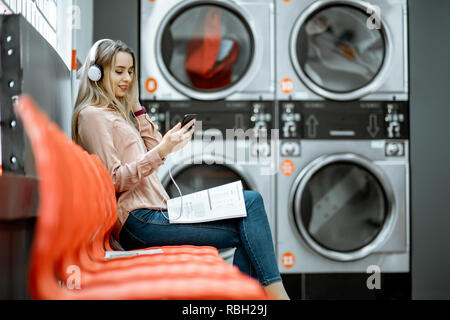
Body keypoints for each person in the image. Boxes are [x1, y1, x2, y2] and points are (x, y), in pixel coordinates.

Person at [72, 39, 289, 300]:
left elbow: (151, 149)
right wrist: (162, 151)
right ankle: (275, 296)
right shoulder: (92, 116)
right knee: (250, 208)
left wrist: (138, 109)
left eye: (130, 72)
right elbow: (114, 179)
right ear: (96, 73)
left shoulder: (117, 114)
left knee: (249, 217)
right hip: (139, 220)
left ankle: (253, 299)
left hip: (159, 212)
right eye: (119, 71)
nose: (127, 78)